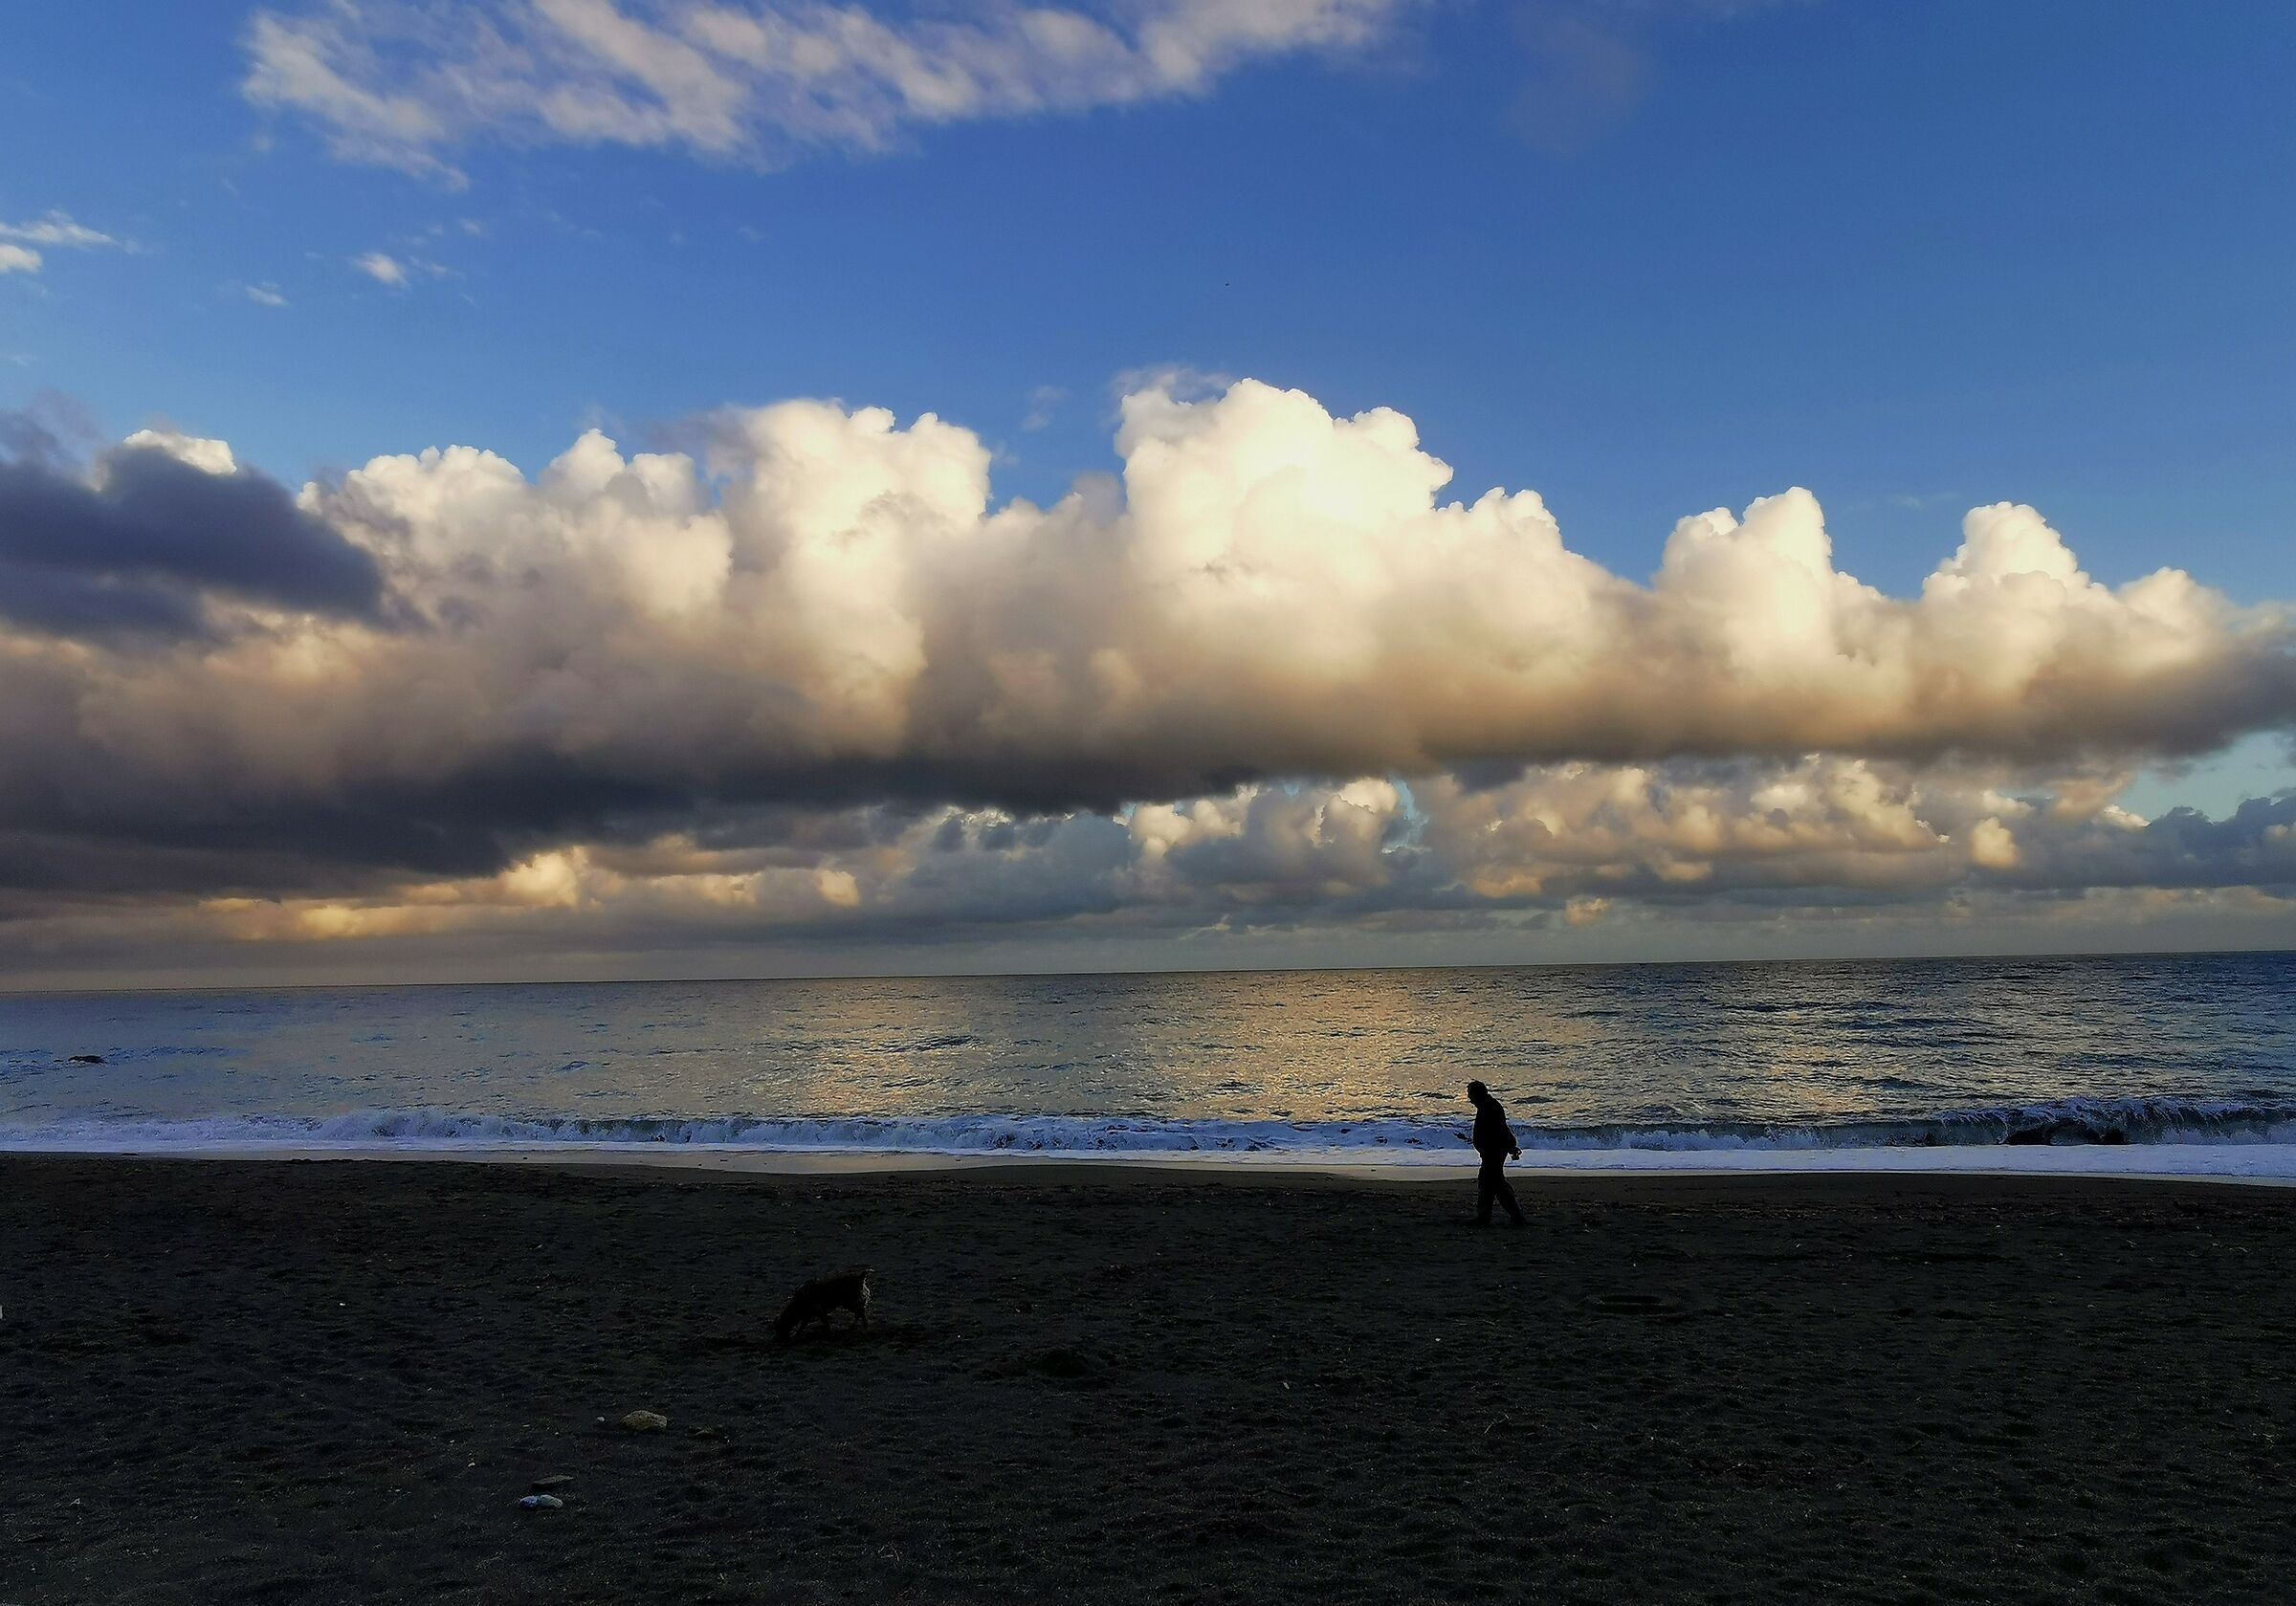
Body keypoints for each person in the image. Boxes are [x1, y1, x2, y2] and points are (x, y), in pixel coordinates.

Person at [1463, 1080, 1527, 1226]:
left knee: (1494, 1184)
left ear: (1478, 1094)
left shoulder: (1490, 1107)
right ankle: (1488, 1217)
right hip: (1491, 1151)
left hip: (1494, 1152)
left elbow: (1501, 1130)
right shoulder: (1487, 1105)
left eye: (1470, 1094)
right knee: (1491, 1184)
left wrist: (1510, 1146)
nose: (1469, 1098)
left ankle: (1513, 1217)